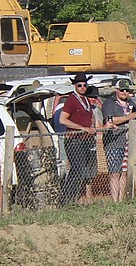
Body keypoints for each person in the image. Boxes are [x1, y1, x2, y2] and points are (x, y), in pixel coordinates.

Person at [58, 73, 98, 204]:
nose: (82, 87)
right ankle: (65, 199)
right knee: (77, 168)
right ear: (75, 86)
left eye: (84, 85)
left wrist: (91, 127)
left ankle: (76, 198)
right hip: (74, 139)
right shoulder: (71, 99)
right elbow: (63, 119)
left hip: (86, 140)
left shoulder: (86, 100)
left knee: (84, 170)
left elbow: (90, 118)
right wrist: (81, 128)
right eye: (79, 85)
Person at [101, 79, 136, 202]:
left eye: (127, 90)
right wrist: (128, 117)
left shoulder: (131, 103)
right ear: (116, 90)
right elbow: (109, 121)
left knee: (124, 172)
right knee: (114, 173)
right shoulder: (109, 103)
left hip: (128, 142)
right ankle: (114, 201)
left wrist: (135, 120)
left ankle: (121, 200)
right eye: (122, 90)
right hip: (114, 142)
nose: (125, 92)